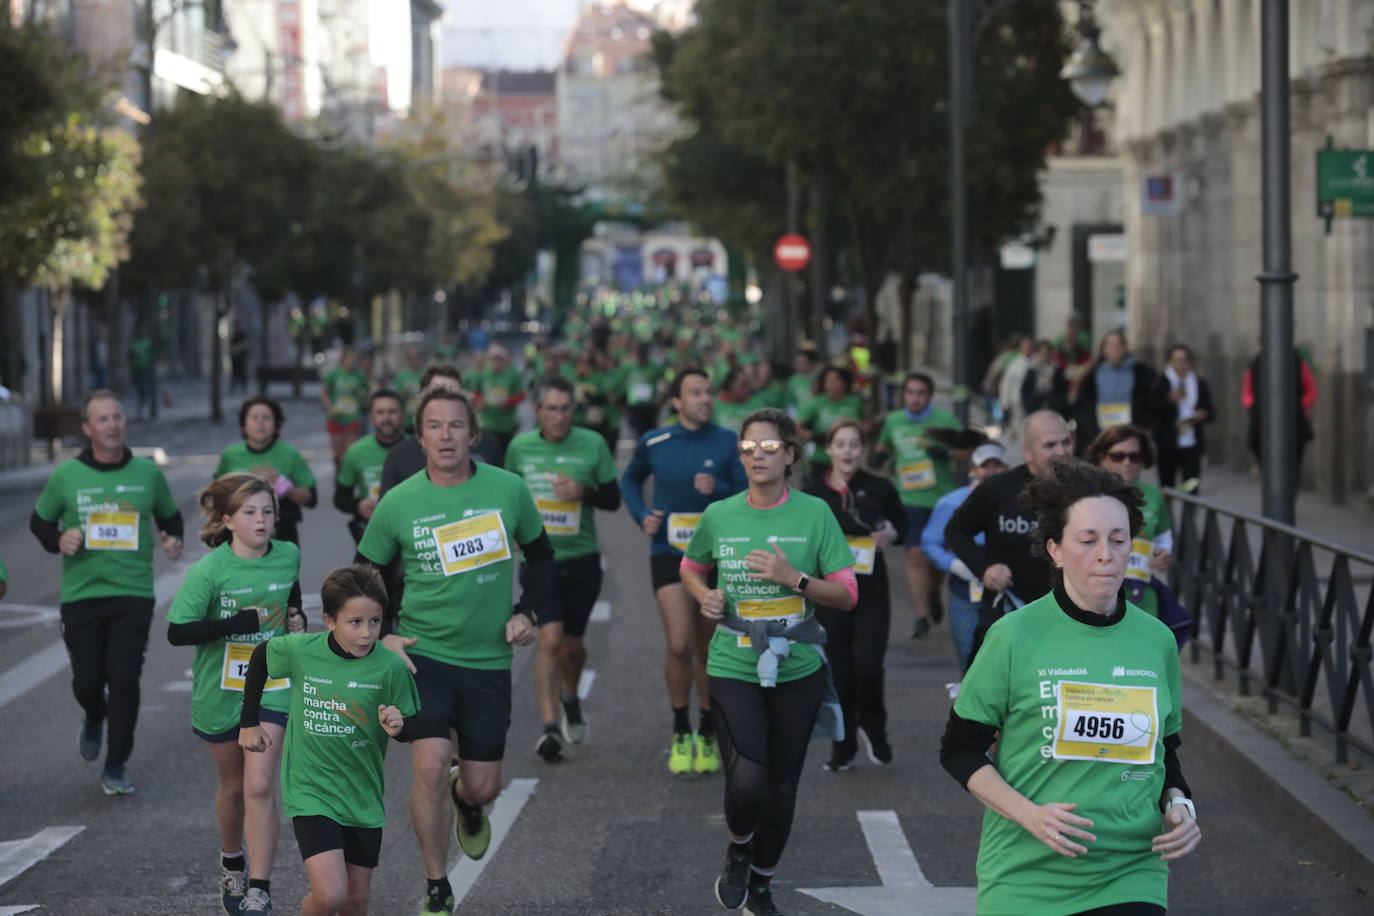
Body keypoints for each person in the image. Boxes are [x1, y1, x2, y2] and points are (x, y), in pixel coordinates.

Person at [940, 460, 1200, 914]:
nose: (1106, 554)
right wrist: (1030, 815)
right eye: (1089, 540)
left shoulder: (1156, 639)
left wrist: (1181, 804)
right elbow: (959, 749)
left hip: (1130, 871)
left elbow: (1165, 750)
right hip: (1026, 874)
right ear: (1056, 550)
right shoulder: (1014, 635)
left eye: (1119, 541)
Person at [355, 387, 552, 916]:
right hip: (424, 656)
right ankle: (436, 885)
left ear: (474, 434)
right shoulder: (399, 502)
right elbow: (363, 576)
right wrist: (385, 632)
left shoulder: (508, 490)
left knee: (484, 784)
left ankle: (467, 802)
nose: (446, 435)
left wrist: (527, 612)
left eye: (456, 425)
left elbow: (543, 556)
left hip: (489, 659)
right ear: (419, 438)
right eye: (435, 426)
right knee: (430, 764)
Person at [680, 407, 857, 916]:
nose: (758, 455)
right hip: (733, 663)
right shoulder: (720, 514)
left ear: (790, 455)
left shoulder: (814, 514)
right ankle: (739, 849)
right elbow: (692, 567)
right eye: (749, 448)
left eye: (770, 447)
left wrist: (793, 578)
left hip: (796, 663)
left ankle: (762, 882)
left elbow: (847, 594)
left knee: (781, 788)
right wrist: (704, 596)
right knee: (748, 778)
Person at [239, 565, 420, 916]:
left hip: (362, 795)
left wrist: (400, 726)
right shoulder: (302, 650)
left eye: (375, 621)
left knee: (356, 901)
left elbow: (411, 724)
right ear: (329, 620)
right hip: (312, 791)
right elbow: (261, 656)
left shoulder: (389, 667)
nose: (367, 633)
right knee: (330, 894)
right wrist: (249, 722)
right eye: (355, 622)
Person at [29, 389, 184, 795]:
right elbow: (40, 522)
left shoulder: (147, 473)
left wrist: (173, 540)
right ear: (87, 428)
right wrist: (59, 539)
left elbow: (171, 517)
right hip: (81, 593)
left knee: (125, 678)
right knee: (86, 683)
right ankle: (94, 712)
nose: (112, 425)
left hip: (132, 591)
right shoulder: (67, 476)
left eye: (117, 416)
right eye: (102, 419)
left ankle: (116, 764)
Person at [168, 473, 305, 915]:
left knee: (260, 783)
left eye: (268, 512)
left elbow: (291, 598)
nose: (262, 520)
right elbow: (177, 631)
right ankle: (232, 861)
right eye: (250, 513)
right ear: (228, 520)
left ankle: (260, 890)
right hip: (222, 689)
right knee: (232, 787)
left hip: (273, 685)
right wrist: (234, 624)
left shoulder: (288, 555)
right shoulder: (209, 571)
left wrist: (296, 621)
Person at [620, 368, 748, 775]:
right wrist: (643, 515)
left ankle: (708, 729)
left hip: (714, 555)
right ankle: (680, 727)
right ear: (677, 401)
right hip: (669, 552)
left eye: (709, 392)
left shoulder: (728, 442)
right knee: (679, 643)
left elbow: (747, 492)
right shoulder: (654, 441)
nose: (705, 399)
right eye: (696, 393)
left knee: (705, 649)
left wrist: (720, 490)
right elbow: (630, 480)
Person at [506, 375, 621, 761]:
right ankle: (549, 726)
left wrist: (583, 491)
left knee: (572, 645)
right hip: (541, 562)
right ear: (537, 411)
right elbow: (507, 497)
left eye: (565, 408)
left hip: (583, 558)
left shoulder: (593, 444)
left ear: (574, 409)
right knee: (550, 640)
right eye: (551, 409)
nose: (559, 416)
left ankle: (570, 698)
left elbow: (612, 498)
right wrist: (513, 531)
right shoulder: (520, 447)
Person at [803, 419, 907, 771]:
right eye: (840, 444)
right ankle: (842, 746)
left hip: (871, 592)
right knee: (840, 673)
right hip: (830, 592)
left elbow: (903, 527)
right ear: (829, 449)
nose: (847, 451)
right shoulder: (813, 492)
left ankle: (875, 729)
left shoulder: (879, 487)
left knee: (868, 667)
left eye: (854, 445)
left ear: (863, 450)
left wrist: (890, 534)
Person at [945, 411, 1075, 663]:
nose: (1062, 451)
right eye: (1050, 445)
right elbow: (956, 530)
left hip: (1066, 619)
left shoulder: (1086, 489)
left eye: (1066, 441)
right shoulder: (998, 488)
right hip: (1006, 614)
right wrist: (985, 568)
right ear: (1028, 451)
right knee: (985, 698)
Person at [877, 371, 962, 638]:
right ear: (903, 395)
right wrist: (880, 455)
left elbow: (967, 453)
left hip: (941, 499)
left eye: (921, 393)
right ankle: (922, 615)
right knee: (915, 554)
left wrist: (947, 453)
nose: (915, 398)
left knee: (938, 555)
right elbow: (885, 445)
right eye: (910, 393)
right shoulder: (894, 421)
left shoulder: (944, 421)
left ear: (930, 396)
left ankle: (935, 590)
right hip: (908, 498)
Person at [922, 442, 1009, 672]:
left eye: (997, 465)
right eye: (985, 465)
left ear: (1007, 467)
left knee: (1009, 658)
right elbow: (930, 542)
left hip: (1009, 589)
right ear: (973, 469)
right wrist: (954, 564)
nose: (991, 471)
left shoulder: (1017, 499)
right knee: (970, 656)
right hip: (965, 591)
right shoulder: (951, 502)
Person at [1087, 425, 1172, 619]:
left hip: (1143, 599)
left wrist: (1164, 554)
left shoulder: (1154, 496)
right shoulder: (1085, 495)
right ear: (1101, 457)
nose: (1127, 462)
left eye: (1134, 456)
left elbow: (1163, 537)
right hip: (1096, 601)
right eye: (1118, 456)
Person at [214, 397, 317, 546]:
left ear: (276, 425)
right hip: (237, 540)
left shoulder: (290, 454)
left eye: (267, 418)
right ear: (244, 425)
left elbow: (311, 499)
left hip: (282, 536)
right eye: (254, 418)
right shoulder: (230, 455)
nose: (260, 422)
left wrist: (282, 486)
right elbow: (215, 498)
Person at [1071, 331, 1167, 457]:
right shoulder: (1090, 375)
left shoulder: (1141, 372)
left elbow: (1150, 403)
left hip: (1130, 437)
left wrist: (1145, 429)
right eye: (1110, 345)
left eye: (1119, 344)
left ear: (1125, 348)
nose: (1115, 349)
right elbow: (1082, 407)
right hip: (1099, 437)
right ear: (1103, 349)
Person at [334, 390, 406, 544]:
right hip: (373, 534)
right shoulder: (356, 452)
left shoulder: (420, 450)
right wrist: (358, 505)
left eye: (392, 411)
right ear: (371, 418)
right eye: (380, 412)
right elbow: (340, 498)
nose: (386, 418)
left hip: (410, 531)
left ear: (402, 415)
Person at [1241, 348, 1316, 471]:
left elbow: (1311, 391)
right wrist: (1256, 407)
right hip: (1263, 422)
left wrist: (1297, 406)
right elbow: (1247, 394)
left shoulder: (1296, 361)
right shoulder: (1256, 364)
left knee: (1293, 466)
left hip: (1293, 422)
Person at [1156, 344, 1214, 492]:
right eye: (1176, 360)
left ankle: (1189, 515)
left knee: (1191, 487)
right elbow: (1150, 409)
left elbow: (1211, 413)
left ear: (1190, 362)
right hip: (1167, 443)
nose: (1180, 364)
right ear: (1170, 362)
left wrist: (1202, 415)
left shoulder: (1199, 383)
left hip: (1191, 443)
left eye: (1184, 360)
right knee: (1167, 487)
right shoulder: (1160, 382)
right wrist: (1169, 400)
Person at [796, 367, 865, 469]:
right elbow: (797, 427)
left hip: (849, 459)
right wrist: (813, 436)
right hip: (822, 459)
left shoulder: (855, 402)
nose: (833, 384)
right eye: (829, 380)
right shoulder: (815, 403)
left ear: (845, 383)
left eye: (837, 380)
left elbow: (865, 422)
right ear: (824, 384)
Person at [471, 344, 524, 465]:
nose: (496, 363)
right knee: (489, 455)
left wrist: (509, 402)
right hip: (487, 424)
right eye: (493, 359)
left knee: (504, 456)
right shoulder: (483, 374)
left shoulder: (512, 375)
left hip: (506, 424)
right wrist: (479, 401)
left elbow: (521, 395)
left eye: (499, 359)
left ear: (505, 361)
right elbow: (476, 391)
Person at [322, 346, 370, 468]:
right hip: (336, 418)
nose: (352, 361)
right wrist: (330, 408)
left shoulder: (359, 376)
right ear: (343, 359)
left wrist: (363, 395)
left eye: (354, 358)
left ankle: (346, 478)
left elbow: (367, 393)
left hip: (353, 418)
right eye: (350, 358)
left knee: (349, 453)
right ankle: (338, 473)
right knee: (338, 453)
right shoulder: (334, 375)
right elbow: (324, 394)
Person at [1021, 340, 1070, 418]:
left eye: (1047, 353)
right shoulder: (1032, 370)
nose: (1044, 356)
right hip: (1035, 407)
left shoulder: (1057, 370)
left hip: (1053, 408)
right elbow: (1025, 391)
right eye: (1042, 353)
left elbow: (1062, 391)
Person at [393, 347, 426, 433]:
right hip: (407, 419)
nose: (414, 360)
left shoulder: (425, 374)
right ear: (408, 359)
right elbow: (397, 398)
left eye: (416, 357)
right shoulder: (402, 376)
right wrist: (404, 391)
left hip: (423, 417)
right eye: (412, 357)